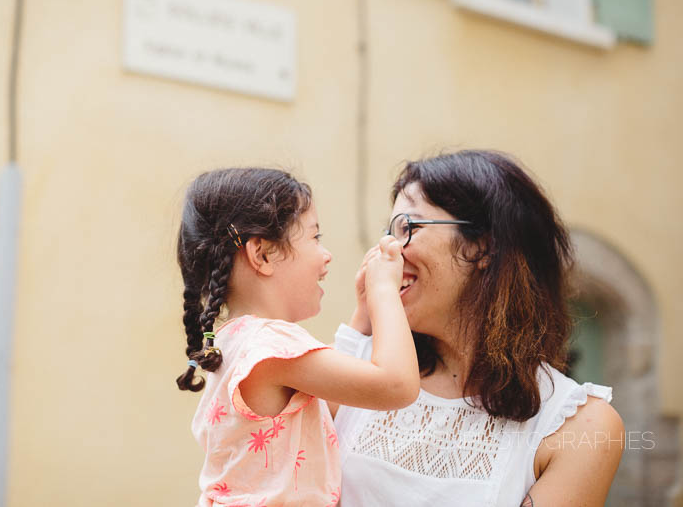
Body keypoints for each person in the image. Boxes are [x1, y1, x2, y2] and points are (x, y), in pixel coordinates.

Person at [334, 150, 624, 506]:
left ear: (484, 246)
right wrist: (360, 325)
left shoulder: (582, 426)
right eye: (388, 231)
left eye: (408, 228)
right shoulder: (356, 367)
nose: (387, 249)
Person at [175, 168, 421, 507]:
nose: (327, 254)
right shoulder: (271, 346)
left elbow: (332, 399)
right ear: (262, 254)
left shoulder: (238, 342)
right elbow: (397, 386)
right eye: (315, 237)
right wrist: (384, 292)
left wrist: (362, 318)